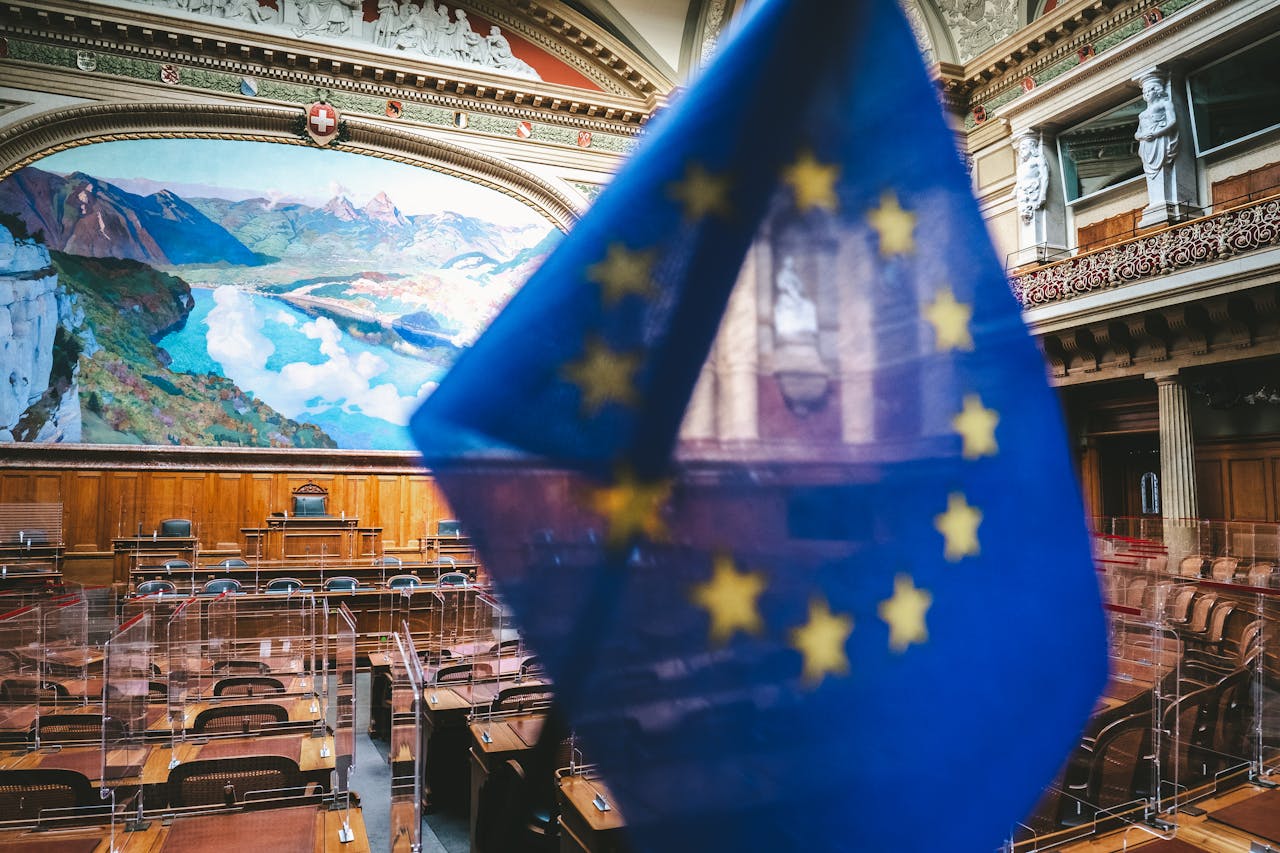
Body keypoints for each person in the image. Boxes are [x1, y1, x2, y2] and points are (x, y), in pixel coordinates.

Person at [1135, 75, 1178, 178]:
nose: (1147, 94)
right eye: (1145, 93)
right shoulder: (1142, 114)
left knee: (1164, 165)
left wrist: (1156, 134)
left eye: (1149, 91)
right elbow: (1136, 133)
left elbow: (1173, 121)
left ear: (1157, 91)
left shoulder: (1165, 104)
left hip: (1160, 138)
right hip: (1146, 143)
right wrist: (1142, 136)